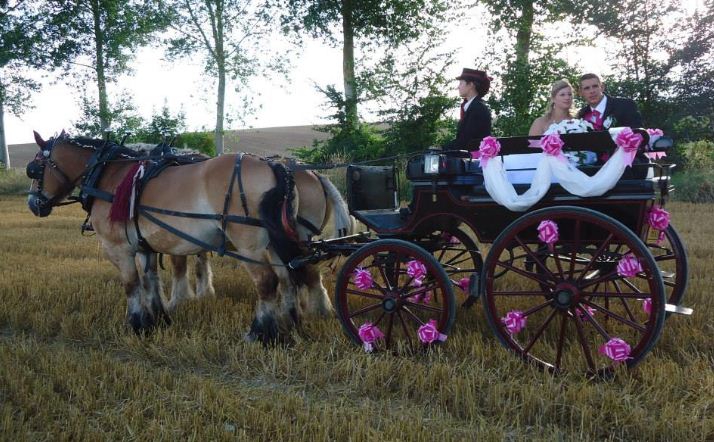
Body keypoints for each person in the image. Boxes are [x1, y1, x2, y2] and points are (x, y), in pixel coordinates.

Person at [443, 68, 492, 150]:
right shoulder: (472, 106)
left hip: (474, 160)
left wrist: (441, 149)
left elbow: (466, 141)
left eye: (461, 83)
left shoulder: (478, 109)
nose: (458, 87)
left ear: (471, 85)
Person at [576, 73, 643, 130]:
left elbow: (638, 135)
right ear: (581, 92)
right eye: (587, 88)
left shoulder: (626, 106)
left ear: (602, 87)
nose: (592, 91)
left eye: (595, 86)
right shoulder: (581, 115)